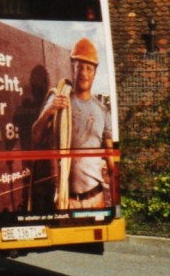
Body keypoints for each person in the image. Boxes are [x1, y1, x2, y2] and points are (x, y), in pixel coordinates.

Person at [32, 37, 113, 210]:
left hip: (96, 197)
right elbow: (36, 137)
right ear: (73, 67)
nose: (84, 72)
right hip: (66, 200)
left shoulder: (103, 111)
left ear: (94, 73)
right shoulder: (58, 99)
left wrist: (117, 197)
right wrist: (49, 111)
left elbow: (111, 156)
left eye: (89, 68)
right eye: (80, 66)